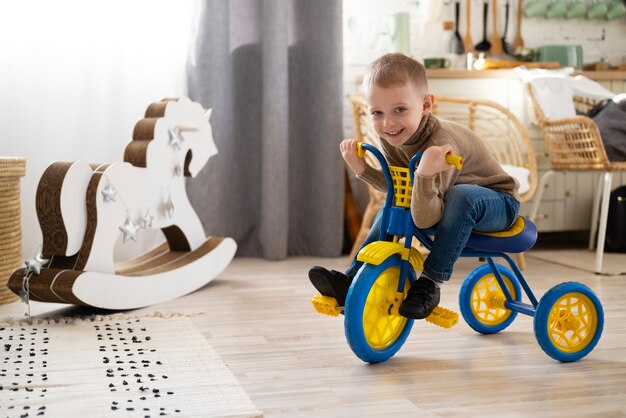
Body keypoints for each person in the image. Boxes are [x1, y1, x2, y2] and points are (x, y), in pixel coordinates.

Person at [309, 53, 520, 319]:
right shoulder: (393, 137)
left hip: (497, 203)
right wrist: (362, 169)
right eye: (377, 113)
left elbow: (425, 217)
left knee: (460, 196)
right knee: (388, 212)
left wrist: (424, 175)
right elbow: (401, 189)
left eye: (400, 110)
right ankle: (351, 279)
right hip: (443, 203)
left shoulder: (442, 145)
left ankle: (430, 283)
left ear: (426, 104)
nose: (388, 123)